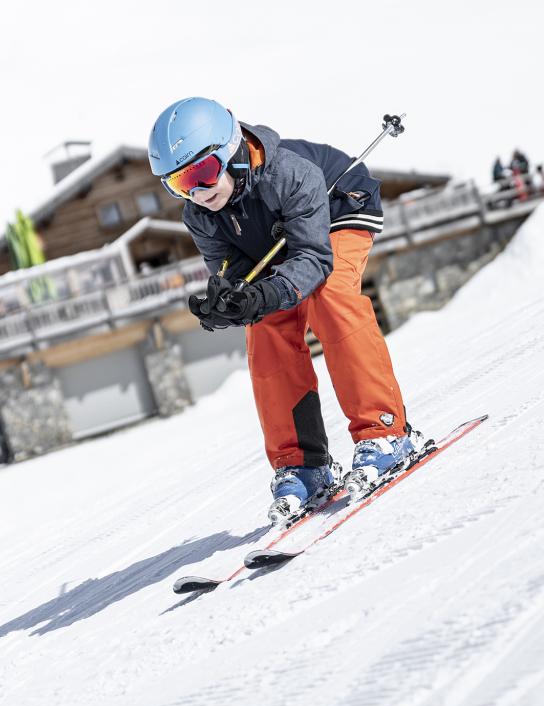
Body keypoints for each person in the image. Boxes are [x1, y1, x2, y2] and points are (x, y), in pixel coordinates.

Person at [148, 97, 424, 523]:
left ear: (230, 150)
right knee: (264, 327)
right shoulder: (201, 214)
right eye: (179, 185)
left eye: (201, 174)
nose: (198, 193)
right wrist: (232, 302)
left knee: (328, 296)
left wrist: (262, 293)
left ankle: (385, 432)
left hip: (338, 211)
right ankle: (304, 465)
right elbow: (234, 269)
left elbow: (313, 260)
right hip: (277, 245)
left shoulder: (290, 174)